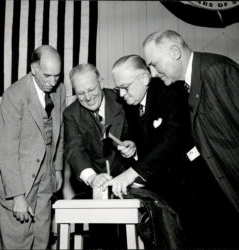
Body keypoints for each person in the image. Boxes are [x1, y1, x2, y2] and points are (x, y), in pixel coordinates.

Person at [142, 30, 239, 247]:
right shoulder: (189, 83)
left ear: (175, 52)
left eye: (155, 64)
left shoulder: (215, 71)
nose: (154, 73)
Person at [0, 45, 65, 249]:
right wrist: (18, 196)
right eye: (47, 75)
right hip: (18, 180)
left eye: (57, 75)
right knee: (20, 243)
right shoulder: (14, 96)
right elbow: (6, 150)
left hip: (46, 177)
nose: (53, 82)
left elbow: (59, 130)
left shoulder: (59, 89)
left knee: (42, 240)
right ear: (34, 68)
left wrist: (57, 168)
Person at [63, 63, 134, 248]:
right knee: (103, 240)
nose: (87, 97)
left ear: (100, 82)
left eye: (91, 89)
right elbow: (74, 149)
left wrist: (134, 146)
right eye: (80, 93)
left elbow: (141, 132)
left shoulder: (123, 99)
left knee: (131, 238)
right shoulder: (71, 114)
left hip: (130, 178)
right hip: (97, 184)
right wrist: (92, 178)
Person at [104, 55, 191, 204]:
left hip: (188, 181)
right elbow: (148, 141)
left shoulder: (171, 92)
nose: (122, 94)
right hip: (160, 185)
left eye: (125, 87)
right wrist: (135, 147)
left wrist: (132, 173)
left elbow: (172, 139)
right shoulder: (132, 103)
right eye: (118, 89)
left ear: (144, 78)